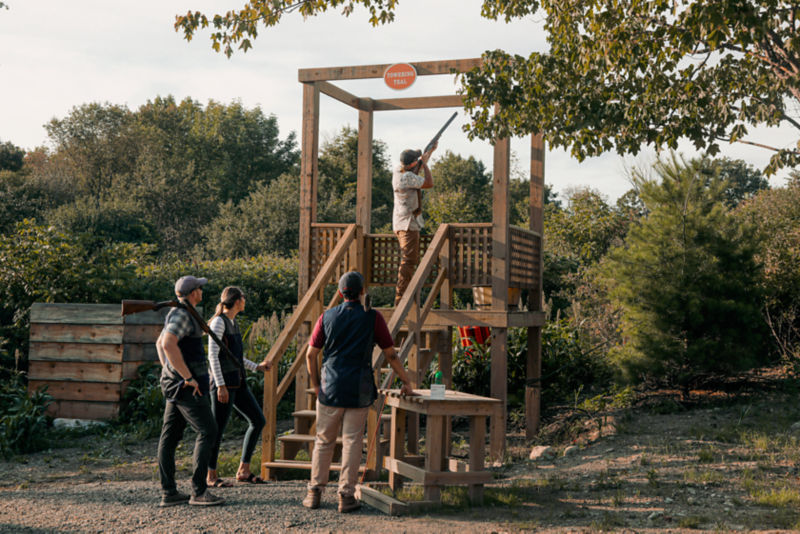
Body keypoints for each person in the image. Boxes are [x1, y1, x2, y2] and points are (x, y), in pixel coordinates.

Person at [302, 271, 416, 513]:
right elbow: (390, 354)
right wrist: (406, 381)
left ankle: (314, 492)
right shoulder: (373, 317)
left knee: (323, 440)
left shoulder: (326, 317)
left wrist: (316, 384)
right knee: (352, 442)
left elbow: (310, 354)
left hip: (330, 387)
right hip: (359, 387)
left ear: (341, 293)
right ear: (362, 291)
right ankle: (346, 496)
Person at [155, 275, 224, 507]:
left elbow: (160, 343)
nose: (202, 291)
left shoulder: (180, 312)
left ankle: (169, 493)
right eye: (200, 288)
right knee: (208, 431)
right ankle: (199, 491)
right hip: (187, 387)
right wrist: (185, 376)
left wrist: (170, 371)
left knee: (170, 437)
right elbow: (166, 344)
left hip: (177, 385)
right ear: (194, 292)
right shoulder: (182, 314)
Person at [206, 286, 270, 487]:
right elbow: (212, 356)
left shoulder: (233, 322)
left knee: (258, 420)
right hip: (224, 383)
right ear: (236, 300)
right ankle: (210, 475)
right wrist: (220, 385)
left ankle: (243, 470)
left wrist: (256, 367)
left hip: (238, 382)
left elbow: (235, 357)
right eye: (243, 297)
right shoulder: (219, 322)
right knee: (217, 429)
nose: (245, 300)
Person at [391, 142, 437, 305]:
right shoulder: (407, 177)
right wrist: (425, 164)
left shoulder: (398, 170)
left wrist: (429, 153)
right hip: (408, 224)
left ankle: (403, 296)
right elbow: (429, 183)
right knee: (409, 260)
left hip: (401, 222)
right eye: (415, 160)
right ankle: (401, 298)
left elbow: (415, 168)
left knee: (409, 260)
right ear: (411, 164)